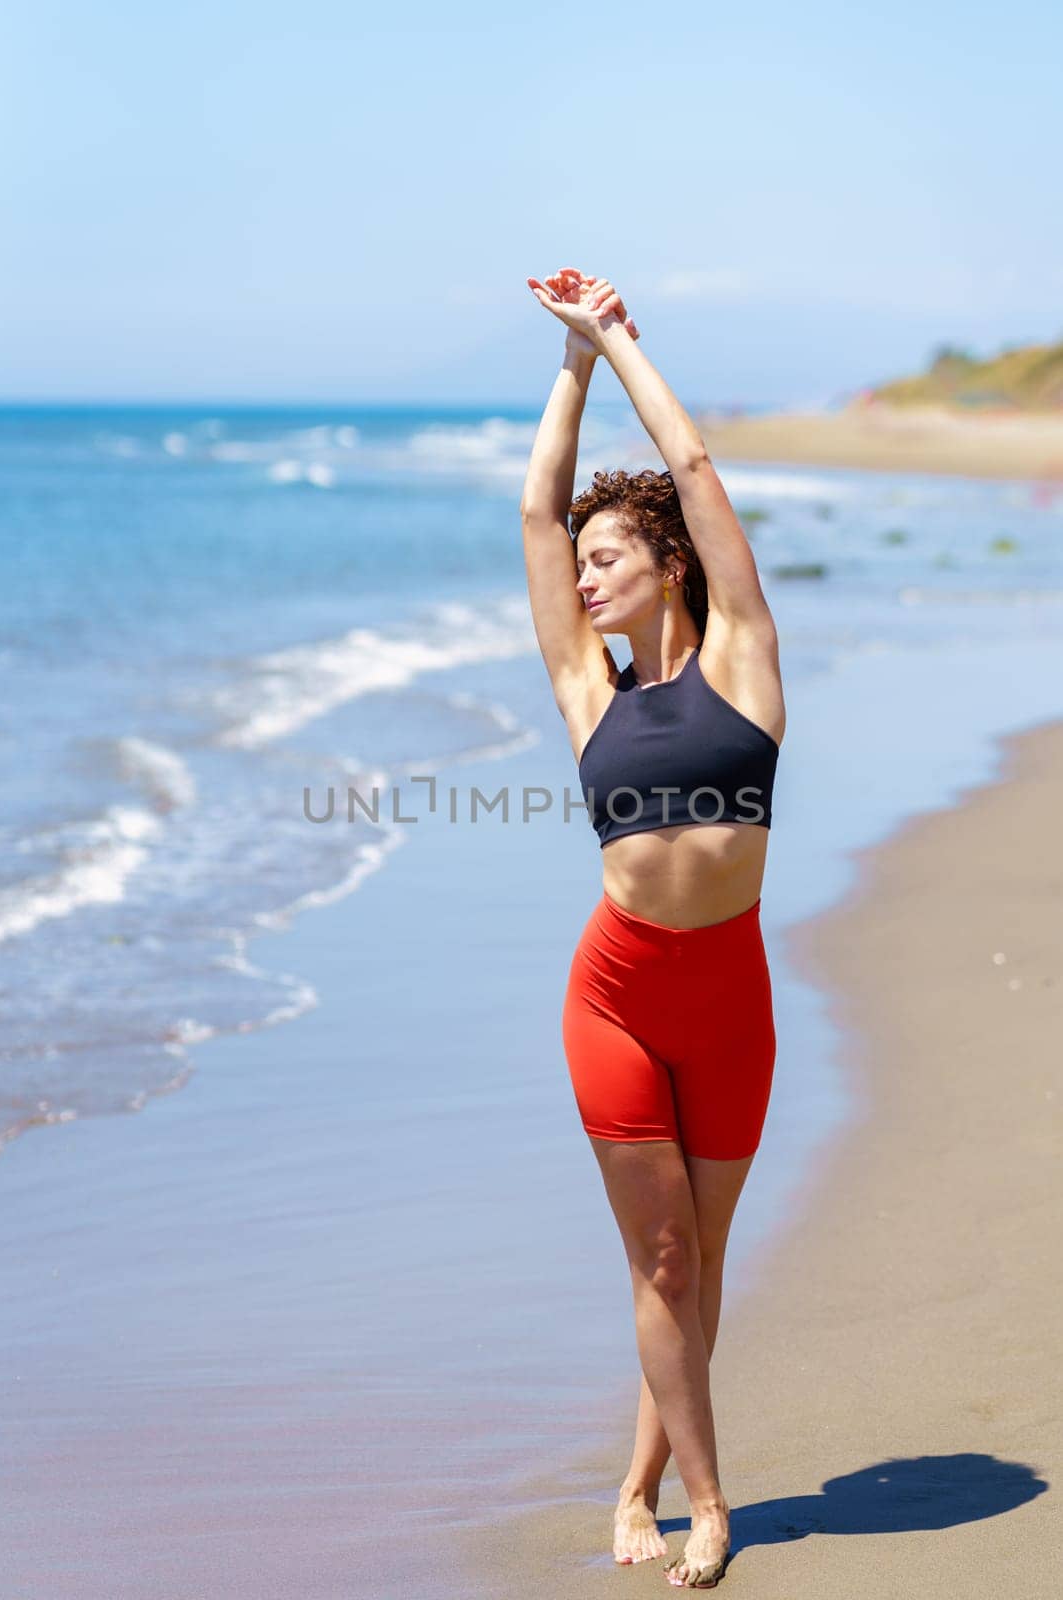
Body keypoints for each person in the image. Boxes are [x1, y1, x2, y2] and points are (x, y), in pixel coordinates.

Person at [520, 266, 786, 1589]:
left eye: (609, 555)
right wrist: (566, 365)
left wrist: (620, 340)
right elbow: (530, 511)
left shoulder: (743, 652)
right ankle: (708, 1502)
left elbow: (689, 459)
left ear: (670, 558)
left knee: (698, 1264)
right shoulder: (587, 690)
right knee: (664, 1253)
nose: (588, 578)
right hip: (616, 997)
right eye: (581, 566)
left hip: (730, 999)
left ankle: (637, 1481)